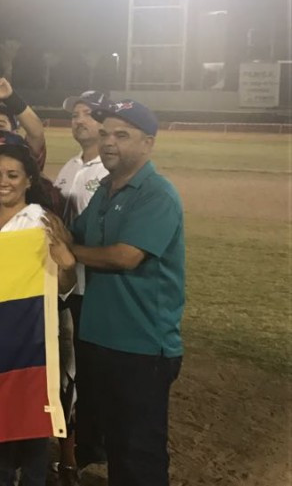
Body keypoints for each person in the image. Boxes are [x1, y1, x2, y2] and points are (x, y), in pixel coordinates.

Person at [52, 100, 184, 486]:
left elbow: (126, 256)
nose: (109, 142)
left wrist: (69, 251)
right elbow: (74, 235)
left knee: (138, 451)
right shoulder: (107, 189)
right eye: (106, 132)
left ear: (148, 143)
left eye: (122, 135)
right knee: (110, 442)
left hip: (142, 346)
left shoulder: (157, 193)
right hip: (98, 337)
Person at [0, 143, 75, 486]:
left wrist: (67, 265)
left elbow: (63, 286)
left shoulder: (42, 220)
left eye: (12, 175)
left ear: (28, 179)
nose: (3, 182)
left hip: (32, 340)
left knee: (30, 419)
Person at [50, 90, 110, 484]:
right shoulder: (70, 166)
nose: (79, 120)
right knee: (70, 367)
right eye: (75, 114)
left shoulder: (110, 170)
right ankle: (75, 444)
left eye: (88, 114)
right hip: (66, 282)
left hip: (96, 286)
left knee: (92, 368)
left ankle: (91, 445)